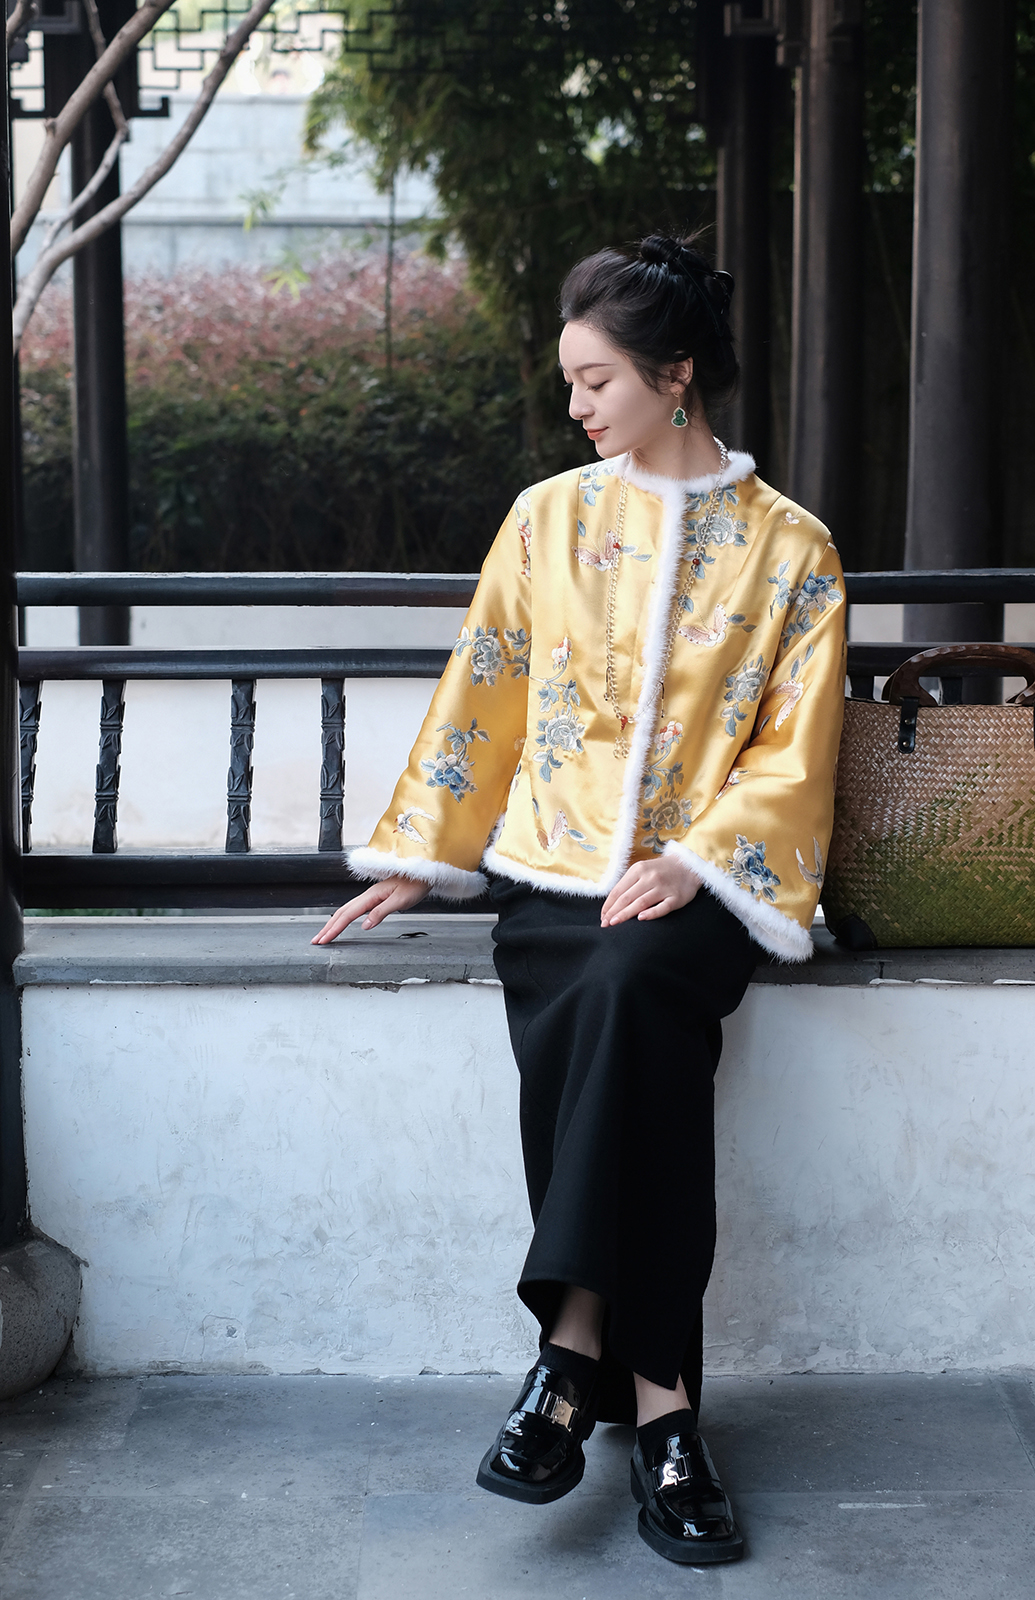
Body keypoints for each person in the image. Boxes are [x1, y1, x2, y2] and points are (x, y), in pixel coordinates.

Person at [314, 233, 846, 1565]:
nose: (576, 406)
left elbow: (798, 748)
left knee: (635, 981)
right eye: (570, 381)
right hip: (553, 876)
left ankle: (567, 1361)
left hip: (701, 888)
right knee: (621, 1018)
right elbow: (484, 690)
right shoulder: (545, 521)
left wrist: (698, 860)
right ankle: (664, 1415)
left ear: (676, 374)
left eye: (596, 379)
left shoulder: (791, 550)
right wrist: (422, 849)